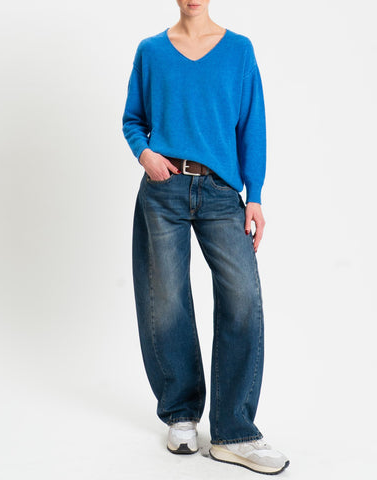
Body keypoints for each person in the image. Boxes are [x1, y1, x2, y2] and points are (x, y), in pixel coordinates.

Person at [122, 0, 289, 475]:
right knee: (166, 301)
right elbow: (133, 119)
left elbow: (251, 124)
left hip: (220, 193)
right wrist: (145, 154)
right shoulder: (151, 51)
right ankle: (180, 413)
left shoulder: (238, 50)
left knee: (242, 298)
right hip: (163, 190)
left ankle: (234, 432)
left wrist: (255, 195)